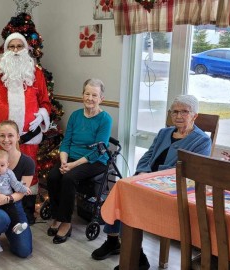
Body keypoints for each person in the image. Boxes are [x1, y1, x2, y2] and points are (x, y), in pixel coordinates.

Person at [91, 94, 212, 270]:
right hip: (148, 181)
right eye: (174, 111)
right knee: (121, 188)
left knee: (128, 199)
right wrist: (142, 173)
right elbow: (148, 156)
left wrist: (151, 178)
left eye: (184, 112)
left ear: (195, 115)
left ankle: (135, 256)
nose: (178, 116)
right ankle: (115, 243)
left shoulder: (202, 141)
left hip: (172, 191)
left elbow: (188, 173)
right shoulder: (164, 133)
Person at [0, 32, 52, 223]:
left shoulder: (36, 73)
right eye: (12, 47)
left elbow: (45, 101)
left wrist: (42, 115)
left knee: (27, 172)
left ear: (26, 49)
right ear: (5, 50)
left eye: (20, 46)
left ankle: (26, 212)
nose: (16, 51)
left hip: (28, 135)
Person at [46, 78, 112, 244]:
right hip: (71, 158)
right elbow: (66, 142)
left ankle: (66, 223)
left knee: (69, 177)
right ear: (82, 95)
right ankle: (57, 216)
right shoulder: (75, 116)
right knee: (53, 176)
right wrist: (63, 162)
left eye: (94, 95)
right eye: (87, 93)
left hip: (95, 160)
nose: (90, 98)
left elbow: (98, 150)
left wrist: (72, 165)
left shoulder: (105, 119)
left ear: (101, 98)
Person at [0, 120, 34, 257]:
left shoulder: (27, 162)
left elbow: (21, 192)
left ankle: (11, 229)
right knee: (0, 219)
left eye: (10, 135)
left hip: (14, 204)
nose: (6, 139)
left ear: (18, 137)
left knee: (24, 251)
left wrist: (7, 199)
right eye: (2, 135)